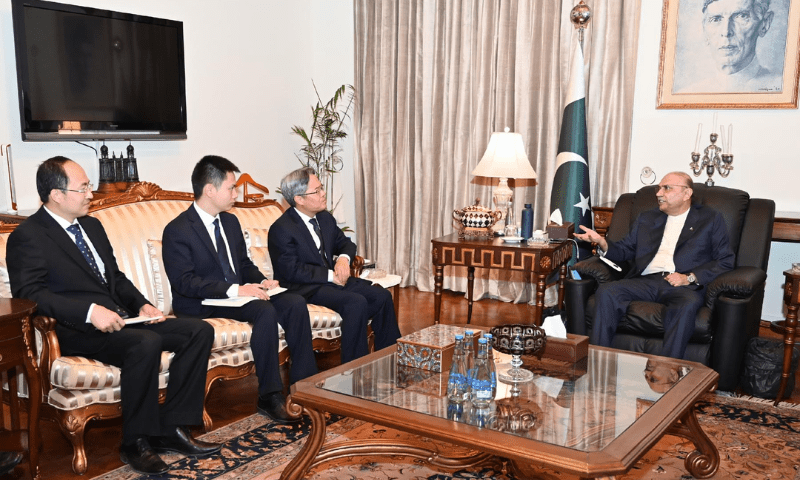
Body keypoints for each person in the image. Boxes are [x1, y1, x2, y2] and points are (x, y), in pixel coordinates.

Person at [6, 157, 220, 475]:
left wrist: (143, 305)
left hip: (121, 320)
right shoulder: (28, 237)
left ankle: (171, 429)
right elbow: (33, 295)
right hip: (76, 328)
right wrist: (90, 312)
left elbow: (115, 279)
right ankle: (135, 442)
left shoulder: (91, 225)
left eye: (89, 185)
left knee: (198, 331)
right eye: (83, 188)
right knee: (144, 343)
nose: (91, 193)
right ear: (56, 194)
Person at [162, 155, 317, 424]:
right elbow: (185, 282)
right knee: (264, 310)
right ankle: (269, 396)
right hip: (201, 302)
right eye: (231, 187)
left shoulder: (230, 222)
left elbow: (243, 264)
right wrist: (236, 290)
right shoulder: (178, 230)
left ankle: (306, 389)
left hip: (236, 296)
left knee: (293, 302)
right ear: (210, 190)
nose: (237, 192)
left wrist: (261, 281)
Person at [573, 171, 734, 359]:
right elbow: (625, 250)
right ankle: (598, 361)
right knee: (607, 292)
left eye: (667, 188)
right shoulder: (647, 218)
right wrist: (602, 242)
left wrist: (689, 277)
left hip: (681, 284)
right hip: (646, 281)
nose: (658, 193)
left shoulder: (710, 219)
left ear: (687, 194)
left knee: (687, 305)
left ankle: (666, 368)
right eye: (659, 188)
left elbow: (725, 260)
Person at [268, 167, 401, 363]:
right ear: (299, 199)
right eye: (317, 191)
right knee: (355, 302)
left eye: (321, 188)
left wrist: (343, 259)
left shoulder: (324, 218)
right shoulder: (281, 229)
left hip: (331, 281)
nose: (323, 194)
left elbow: (346, 243)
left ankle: (389, 361)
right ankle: (355, 370)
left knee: (381, 296)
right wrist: (332, 276)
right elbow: (293, 271)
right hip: (304, 288)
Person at [690, 0, 782, 92]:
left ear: (764, 24)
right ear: (704, 29)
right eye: (716, 19)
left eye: (741, 16)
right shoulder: (689, 94)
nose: (726, 32)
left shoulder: (782, 89)